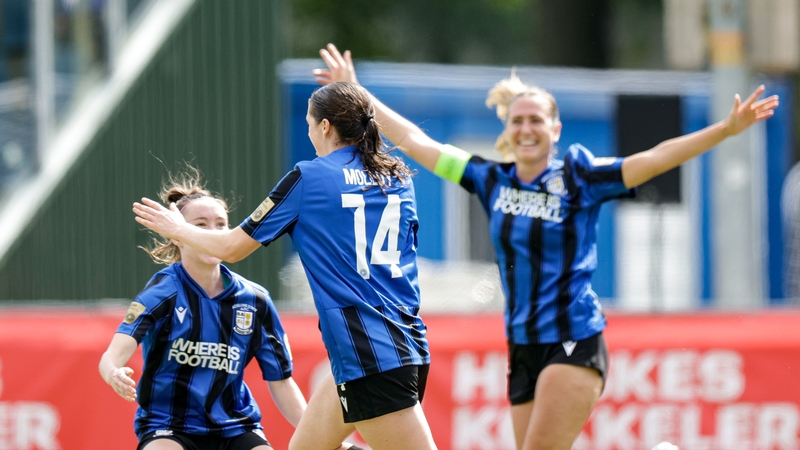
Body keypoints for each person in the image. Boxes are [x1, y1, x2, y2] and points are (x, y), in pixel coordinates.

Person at [312, 43, 779, 450]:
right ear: (508, 130)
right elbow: (416, 142)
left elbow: (652, 160)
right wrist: (359, 94)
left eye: (537, 120)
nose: (527, 128)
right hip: (522, 345)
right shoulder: (491, 178)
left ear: (555, 129)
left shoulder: (579, 177)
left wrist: (724, 130)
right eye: (518, 120)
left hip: (572, 337)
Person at [132, 82, 437, 450]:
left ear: (325, 127)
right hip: (402, 348)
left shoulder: (309, 177)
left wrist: (177, 228)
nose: (310, 134)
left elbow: (232, 247)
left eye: (310, 124)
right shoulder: (398, 177)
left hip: (370, 355)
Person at [99, 166, 308, 450]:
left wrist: (326, 439)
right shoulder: (163, 293)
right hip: (168, 427)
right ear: (177, 234)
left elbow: (282, 383)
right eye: (201, 225)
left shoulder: (255, 300)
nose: (214, 233)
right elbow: (112, 355)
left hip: (236, 428)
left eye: (221, 225)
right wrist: (113, 372)